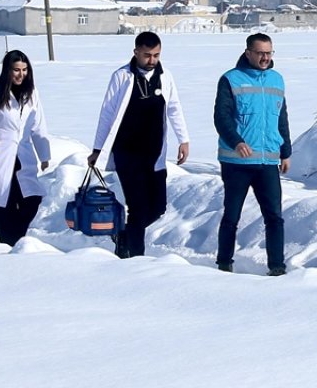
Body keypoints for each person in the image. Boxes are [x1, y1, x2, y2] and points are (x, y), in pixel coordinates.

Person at [88, 31, 190, 258]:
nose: (152, 60)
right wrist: (98, 149)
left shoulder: (165, 76)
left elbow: (174, 107)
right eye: (147, 55)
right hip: (127, 153)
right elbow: (107, 114)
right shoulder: (122, 77)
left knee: (158, 207)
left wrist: (183, 139)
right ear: (135, 53)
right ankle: (136, 258)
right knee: (138, 207)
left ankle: (126, 234)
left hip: (154, 154)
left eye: (156, 55)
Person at [213, 33, 292, 276]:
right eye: (260, 53)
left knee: (274, 217)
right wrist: (236, 142)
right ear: (248, 52)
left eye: (269, 53)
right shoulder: (230, 79)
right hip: (237, 162)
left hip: (267, 161)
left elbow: (282, 118)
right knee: (232, 215)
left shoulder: (277, 80)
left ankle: (277, 267)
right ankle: (224, 263)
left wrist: (285, 152)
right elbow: (221, 117)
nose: (265, 57)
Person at [0, 50, 52, 246]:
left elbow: (38, 125)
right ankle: (9, 244)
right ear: (7, 70)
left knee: (32, 199)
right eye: (16, 70)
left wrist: (44, 154)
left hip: (23, 155)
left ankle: (15, 239)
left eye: (25, 70)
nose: (21, 74)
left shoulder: (32, 93)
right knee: (4, 205)